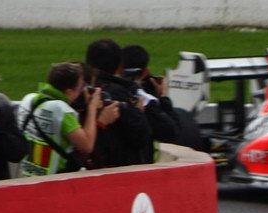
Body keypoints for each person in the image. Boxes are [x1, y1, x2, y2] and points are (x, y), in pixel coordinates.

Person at [17, 62, 111, 177]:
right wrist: (92, 108)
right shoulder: (61, 110)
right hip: (52, 180)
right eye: (81, 87)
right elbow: (87, 146)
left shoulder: (29, 99)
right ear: (69, 92)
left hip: (27, 173)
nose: (83, 91)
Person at [84, 39, 152, 167]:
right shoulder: (117, 93)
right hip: (115, 167)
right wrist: (138, 112)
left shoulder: (80, 90)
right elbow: (142, 135)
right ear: (120, 67)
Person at [121, 44, 178, 158]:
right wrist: (163, 98)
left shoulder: (102, 91)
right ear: (145, 72)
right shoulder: (144, 99)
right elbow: (170, 133)